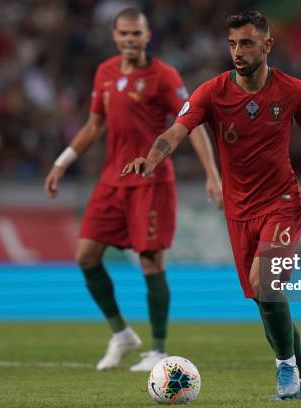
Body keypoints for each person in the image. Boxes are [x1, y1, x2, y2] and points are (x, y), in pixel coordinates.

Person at [122, 10, 301, 399]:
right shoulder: (212, 92)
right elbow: (176, 131)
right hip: (239, 211)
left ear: (267, 45)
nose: (237, 51)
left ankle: (285, 370)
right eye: (232, 44)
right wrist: (150, 159)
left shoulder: (293, 91)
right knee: (264, 298)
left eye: (247, 43)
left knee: (263, 282)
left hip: (282, 202)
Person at [45, 8, 222, 372]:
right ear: (114, 35)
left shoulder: (164, 76)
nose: (129, 40)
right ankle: (122, 334)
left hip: (151, 181)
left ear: (147, 35)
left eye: (135, 34)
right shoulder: (105, 73)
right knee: (86, 256)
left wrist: (212, 173)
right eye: (123, 34)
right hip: (111, 181)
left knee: (150, 262)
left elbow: (193, 123)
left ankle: (157, 349)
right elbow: (95, 125)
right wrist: (63, 162)